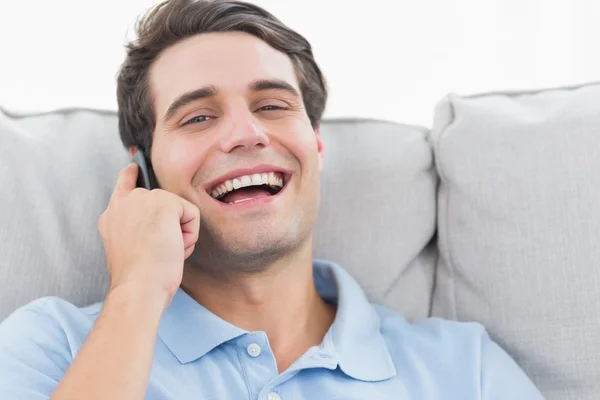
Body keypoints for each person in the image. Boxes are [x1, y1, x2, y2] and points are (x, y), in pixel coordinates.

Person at [0, 0, 544, 399]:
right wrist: (136, 292)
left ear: (317, 146)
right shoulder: (52, 344)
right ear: (144, 170)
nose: (245, 133)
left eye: (273, 105)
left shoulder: (465, 369)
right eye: (198, 116)